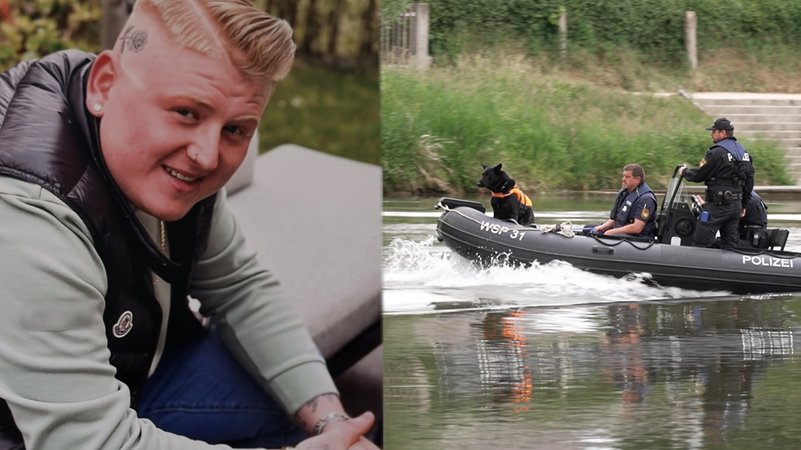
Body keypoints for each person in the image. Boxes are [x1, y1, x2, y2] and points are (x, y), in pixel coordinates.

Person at [0, 1, 378, 449]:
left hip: (144, 370)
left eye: (235, 129)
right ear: (104, 85)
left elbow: (240, 287)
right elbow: (89, 441)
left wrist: (331, 422)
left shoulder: (168, 160)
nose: (208, 156)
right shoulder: (30, 219)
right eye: (186, 113)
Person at [679, 117, 755, 248]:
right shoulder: (744, 153)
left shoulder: (716, 152)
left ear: (723, 133)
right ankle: (730, 267)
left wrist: (684, 172)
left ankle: (696, 266)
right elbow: (749, 182)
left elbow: (700, 175)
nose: (711, 134)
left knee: (700, 242)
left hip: (718, 206)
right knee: (730, 245)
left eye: (714, 131)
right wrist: (743, 205)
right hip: (735, 206)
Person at [590, 163, 657, 238]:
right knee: (588, 228)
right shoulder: (626, 193)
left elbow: (637, 228)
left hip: (638, 238)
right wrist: (602, 227)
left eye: (627, 177)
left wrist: (611, 232)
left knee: (608, 234)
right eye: (623, 176)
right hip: (622, 231)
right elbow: (615, 219)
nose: (623, 179)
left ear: (637, 179)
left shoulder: (646, 200)